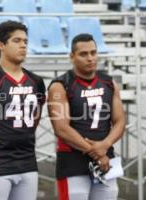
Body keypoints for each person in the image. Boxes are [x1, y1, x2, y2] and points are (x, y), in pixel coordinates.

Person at [47, 33, 126, 200]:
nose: (90, 58)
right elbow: (61, 128)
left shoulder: (109, 83)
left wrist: (105, 145)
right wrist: (97, 153)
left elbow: (120, 121)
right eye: (83, 54)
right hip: (73, 162)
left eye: (93, 53)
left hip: (106, 160)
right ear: (72, 57)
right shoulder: (61, 85)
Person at [0, 21, 46, 200]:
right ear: (1, 45)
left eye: (25, 41)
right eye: (16, 40)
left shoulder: (36, 81)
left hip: (28, 161)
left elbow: (35, 115)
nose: (23, 45)